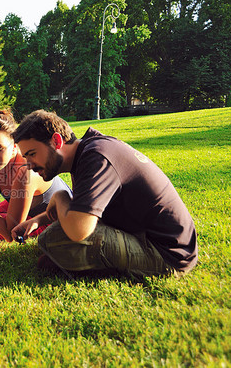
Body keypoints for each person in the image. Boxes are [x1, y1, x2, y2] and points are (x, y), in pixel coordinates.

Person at [11, 110, 197, 278]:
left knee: (54, 239)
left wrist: (60, 197)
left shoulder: (97, 158)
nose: (29, 165)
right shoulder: (89, 149)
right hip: (151, 237)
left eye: (32, 154)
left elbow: (79, 230)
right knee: (51, 243)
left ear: (57, 141)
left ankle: (108, 269)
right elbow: (88, 204)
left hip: (167, 254)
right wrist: (39, 220)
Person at [0, 110, 72, 248]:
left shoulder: (27, 171)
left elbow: (11, 234)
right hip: (24, 209)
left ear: (15, 147)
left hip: (48, 219)